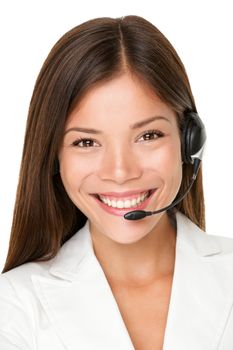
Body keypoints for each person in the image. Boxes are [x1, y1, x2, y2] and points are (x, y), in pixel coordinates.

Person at [0, 15, 233, 350]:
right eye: (86, 142)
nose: (120, 172)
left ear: (189, 141)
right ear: (54, 157)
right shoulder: (15, 308)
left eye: (148, 135)